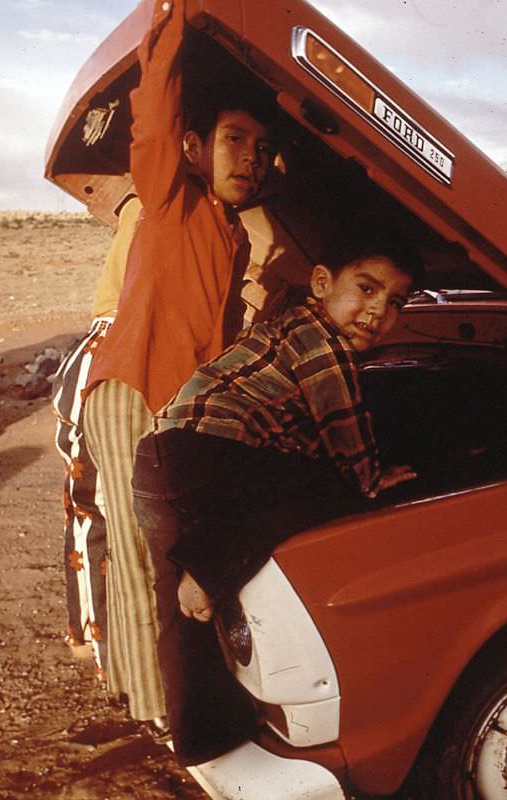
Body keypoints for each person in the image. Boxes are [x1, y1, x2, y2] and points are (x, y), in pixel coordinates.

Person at [131, 241, 421, 777]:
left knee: (185, 615)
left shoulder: (285, 325)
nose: (380, 311)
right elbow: (347, 443)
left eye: (398, 301)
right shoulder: (322, 344)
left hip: (160, 459)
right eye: (366, 288)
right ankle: (209, 561)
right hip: (210, 457)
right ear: (320, 284)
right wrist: (372, 478)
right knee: (331, 490)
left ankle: (202, 738)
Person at [81, 0, 279, 729]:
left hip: (167, 405)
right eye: (234, 139)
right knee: (147, 567)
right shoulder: (172, 197)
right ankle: (160, 714)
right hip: (134, 390)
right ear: (194, 147)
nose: (249, 157)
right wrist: (172, 20)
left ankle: (164, 702)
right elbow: (154, 112)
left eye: (261, 147)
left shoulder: (232, 237)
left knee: (166, 564)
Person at [52, 193, 141, 682]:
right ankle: (96, 643)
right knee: (96, 511)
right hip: (108, 355)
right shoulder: (154, 203)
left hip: (103, 353)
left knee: (89, 509)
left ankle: (89, 637)